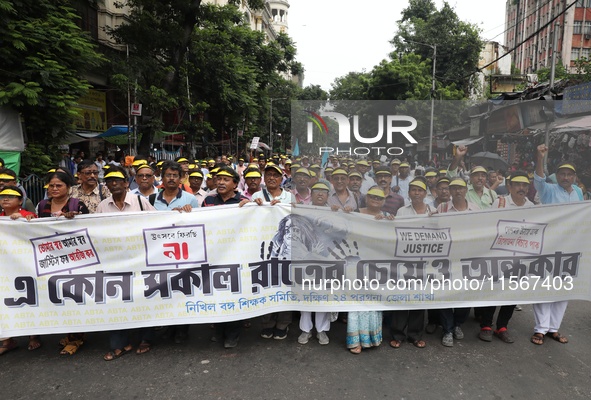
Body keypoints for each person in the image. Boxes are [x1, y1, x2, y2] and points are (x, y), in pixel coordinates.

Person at [96, 167, 156, 360]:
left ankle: (146, 338)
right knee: (115, 300)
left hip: (140, 259)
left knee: (144, 297)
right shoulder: (103, 206)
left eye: (118, 180)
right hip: (115, 262)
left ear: (125, 183)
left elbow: (158, 222)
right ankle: (119, 343)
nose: (114, 183)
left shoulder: (140, 201)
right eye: (109, 180)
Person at [530, 144, 582, 345]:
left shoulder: (577, 192)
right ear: (557, 176)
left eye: (569, 174)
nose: (566, 177)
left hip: (571, 248)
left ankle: (553, 327)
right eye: (562, 174)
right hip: (549, 246)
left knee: (564, 289)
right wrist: (540, 158)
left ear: (575, 177)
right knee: (545, 285)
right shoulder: (548, 189)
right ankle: (540, 328)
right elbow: (538, 179)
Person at [476, 171, 534, 345]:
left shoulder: (532, 207)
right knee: (493, 290)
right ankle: (486, 325)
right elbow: (488, 225)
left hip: (520, 257)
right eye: (517, 184)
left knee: (511, 293)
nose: (521, 188)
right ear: (509, 186)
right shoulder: (500, 203)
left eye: (525, 185)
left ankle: (502, 327)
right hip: (498, 255)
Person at [37, 171, 90, 355]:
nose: (54, 188)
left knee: (73, 296)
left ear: (68, 188)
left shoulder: (77, 205)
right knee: (59, 297)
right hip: (51, 260)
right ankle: (70, 332)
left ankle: (77, 337)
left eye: (59, 185)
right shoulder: (42, 205)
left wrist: (75, 219)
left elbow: (90, 229)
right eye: (51, 185)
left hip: (75, 259)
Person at [246, 164, 297, 341]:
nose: (272, 178)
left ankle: (283, 324)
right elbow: (248, 217)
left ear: (281, 178)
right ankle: (267, 323)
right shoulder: (257, 195)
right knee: (266, 285)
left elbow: (296, 216)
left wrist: (285, 206)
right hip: (264, 249)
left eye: (275, 175)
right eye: (268, 175)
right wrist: (253, 205)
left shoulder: (289, 196)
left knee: (284, 285)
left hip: (285, 251)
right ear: (264, 178)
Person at [202, 166, 248, 348]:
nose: (220, 182)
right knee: (218, 294)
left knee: (234, 295)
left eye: (225, 179)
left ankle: (232, 335)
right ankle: (219, 330)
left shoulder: (244, 201)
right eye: (218, 179)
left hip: (236, 257)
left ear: (235, 184)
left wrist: (254, 206)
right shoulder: (208, 201)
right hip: (214, 256)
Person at [434, 178, 478, 347]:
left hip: (468, 258)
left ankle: (458, 324)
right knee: (445, 294)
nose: (458, 191)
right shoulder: (442, 208)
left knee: (465, 295)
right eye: (454, 188)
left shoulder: (476, 209)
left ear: (466, 189)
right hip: (447, 258)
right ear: (450, 191)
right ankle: (447, 329)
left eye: (461, 188)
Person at [0, 185, 39, 355]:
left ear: (20, 201)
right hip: (4, 267)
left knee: (29, 299)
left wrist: (25, 220)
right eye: (2, 197)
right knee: (5, 301)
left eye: (10, 196)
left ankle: (34, 336)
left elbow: (37, 230)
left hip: (25, 265)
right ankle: (7, 339)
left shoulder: (26, 216)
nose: (5, 199)